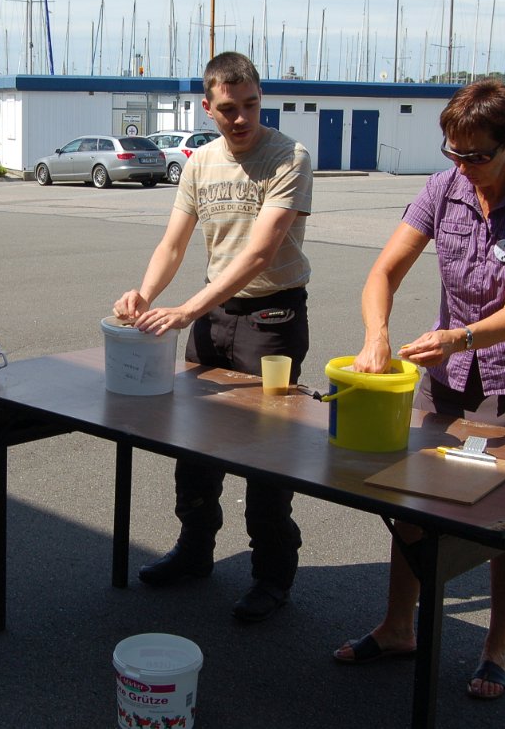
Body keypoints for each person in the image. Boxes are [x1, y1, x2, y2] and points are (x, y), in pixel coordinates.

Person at [331, 79, 505, 701]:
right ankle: (397, 627)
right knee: (412, 498)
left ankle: (495, 647)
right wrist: (376, 337)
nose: (464, 169)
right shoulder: (442, 189)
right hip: (448, 375)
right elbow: (383, 271)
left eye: (477, 156)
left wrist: (456, 339)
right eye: (454, 154)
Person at [113, 51, 313, 623]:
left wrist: (184, 311)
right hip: (211, 315)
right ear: (208, 106)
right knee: (195, 445)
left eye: (251, 105)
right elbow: (174, 243)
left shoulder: (288, 156)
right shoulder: (200, 162)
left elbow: (260, 252)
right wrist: (146, 295)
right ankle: (195, 551)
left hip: (271, 316)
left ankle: (271, 575)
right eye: (228, 109)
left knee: (264, 450)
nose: (242, 118)